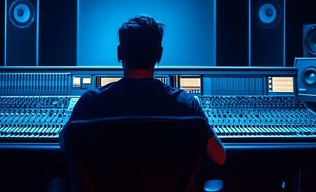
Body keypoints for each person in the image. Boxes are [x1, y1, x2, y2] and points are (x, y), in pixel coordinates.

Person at [59, 15, 225, 165]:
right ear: (159, 54)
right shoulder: (187, 104)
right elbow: (219, 157)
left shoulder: (90, 101)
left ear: (119, 53)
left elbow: (65, 143)